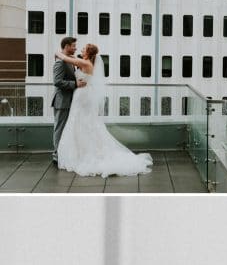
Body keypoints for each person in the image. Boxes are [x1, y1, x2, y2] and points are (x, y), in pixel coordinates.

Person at [53, 43, 152, 177]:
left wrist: (58, 53)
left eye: (84, 49)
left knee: (81, 122)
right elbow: (72, 59)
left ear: (88, 53)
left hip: (82, 96)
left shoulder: (85, 63)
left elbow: (66, 59)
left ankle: (82, 153)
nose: (81, 49)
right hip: (82, 95)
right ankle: (81, 151)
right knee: (81, 122)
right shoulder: (86, 62)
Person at [51, 36, 84, 164]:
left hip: (70, 101)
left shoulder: (69, 59)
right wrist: (75, 84)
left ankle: (64, 153)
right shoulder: (60, 62)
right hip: (62, 101)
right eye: (73, 46)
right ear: (66, 46)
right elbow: (57, 82)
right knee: (60, 128)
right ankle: (56, 155)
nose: (75, 48)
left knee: (66, 128)